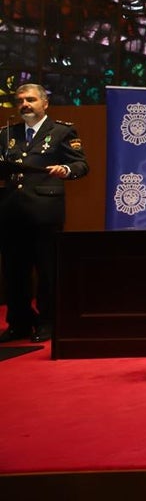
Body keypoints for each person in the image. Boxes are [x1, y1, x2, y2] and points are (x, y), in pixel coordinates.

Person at [0, 84, 89, 343]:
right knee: (14, 270)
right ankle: (19, 323)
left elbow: (81, 164)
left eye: (30, 99)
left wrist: (65, 169)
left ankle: (49, 322)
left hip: (44, 211)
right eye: (20, 101)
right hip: (11, 211)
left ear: (45, 103)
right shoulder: (7, 134)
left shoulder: (61, 131)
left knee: (48, 270)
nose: (25, 104)